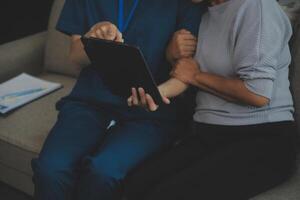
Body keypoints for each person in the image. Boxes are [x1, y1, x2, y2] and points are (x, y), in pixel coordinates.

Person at [31, 0, 205, 200]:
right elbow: (75, 56)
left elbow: (187, 73)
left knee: (103, 172)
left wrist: (159, 85)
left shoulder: (186, 4)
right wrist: (92, 39)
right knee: (50, 170)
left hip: (151, 114)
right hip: (90, 101)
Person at [125, 0, 299, 199]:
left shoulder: (256, 7)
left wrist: (195, 77)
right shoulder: (206, 13)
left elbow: (257, 94)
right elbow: (187, 76)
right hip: (210, 135)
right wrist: (171, 57)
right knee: (135, 185)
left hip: (262, 140)